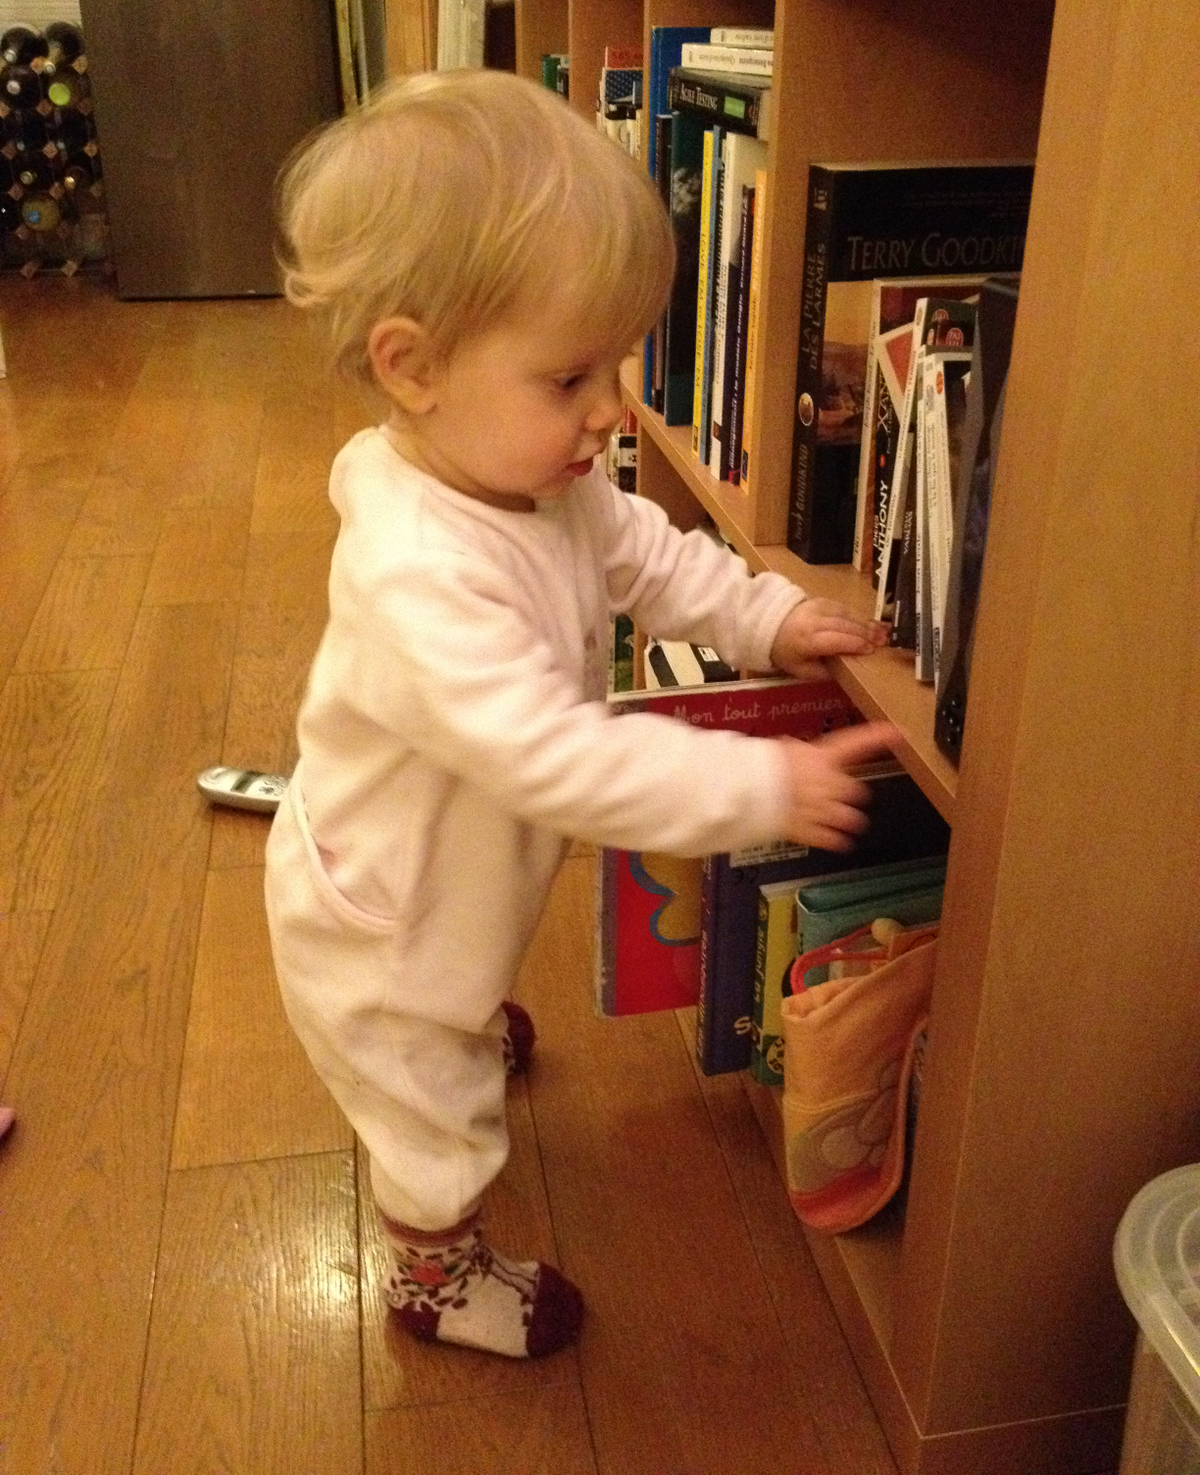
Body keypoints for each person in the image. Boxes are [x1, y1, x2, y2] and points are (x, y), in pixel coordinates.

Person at [265, 68, 899, 1362]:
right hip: (385, 931)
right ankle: (435, 1280)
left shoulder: (537, 479)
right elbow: (558, 759)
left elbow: (651, 558)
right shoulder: (417, 576)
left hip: (457, 872)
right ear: (412, 366)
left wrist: (770, 618)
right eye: (569, 377)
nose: (610, 409)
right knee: (435, 1123)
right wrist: (762, 788)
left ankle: (467, 1013)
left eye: (616, 364)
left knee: (468, 978)